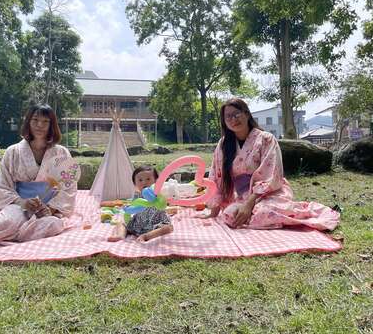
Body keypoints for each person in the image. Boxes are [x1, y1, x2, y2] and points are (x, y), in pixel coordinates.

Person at [198, 98, 340, 231]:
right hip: (241, 196)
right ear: (224, 121)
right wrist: (214, 211)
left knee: (263, 214)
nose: (233, 119)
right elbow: (218, 176)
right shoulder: (223, 144)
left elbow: (271, 174)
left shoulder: (266, 139)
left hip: (268, 193)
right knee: (229, 216)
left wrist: (249, 205)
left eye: (236, 114)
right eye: (228, 116)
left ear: (246, 114)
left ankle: (304, 211)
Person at [0, 104, 77, 245]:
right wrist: (22, 202)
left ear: (52, 125)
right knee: (7, 221)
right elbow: (2, 186)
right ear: (28, 122)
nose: (39, 125)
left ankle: (15, 235)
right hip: (18, 204)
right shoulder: (13, 152)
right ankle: (10, 233)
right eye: (35, 120)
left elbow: (68, 187)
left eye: (45, 121)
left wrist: (51, 208)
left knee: (54, 225)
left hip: (48, 208)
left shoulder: (61, 153)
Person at [108, 165, 173, 242]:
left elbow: (163, 204)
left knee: (167, 228)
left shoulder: (158, 193)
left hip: (156, 222)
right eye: (140, 180)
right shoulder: (137, 195)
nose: (144, 182)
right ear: (135, 184)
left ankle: (146, 236)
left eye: (148, 179)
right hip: (139, 223)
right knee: (121, 223)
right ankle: (120, 235)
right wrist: (128, 208)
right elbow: (134, 206)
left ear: (156, 181)